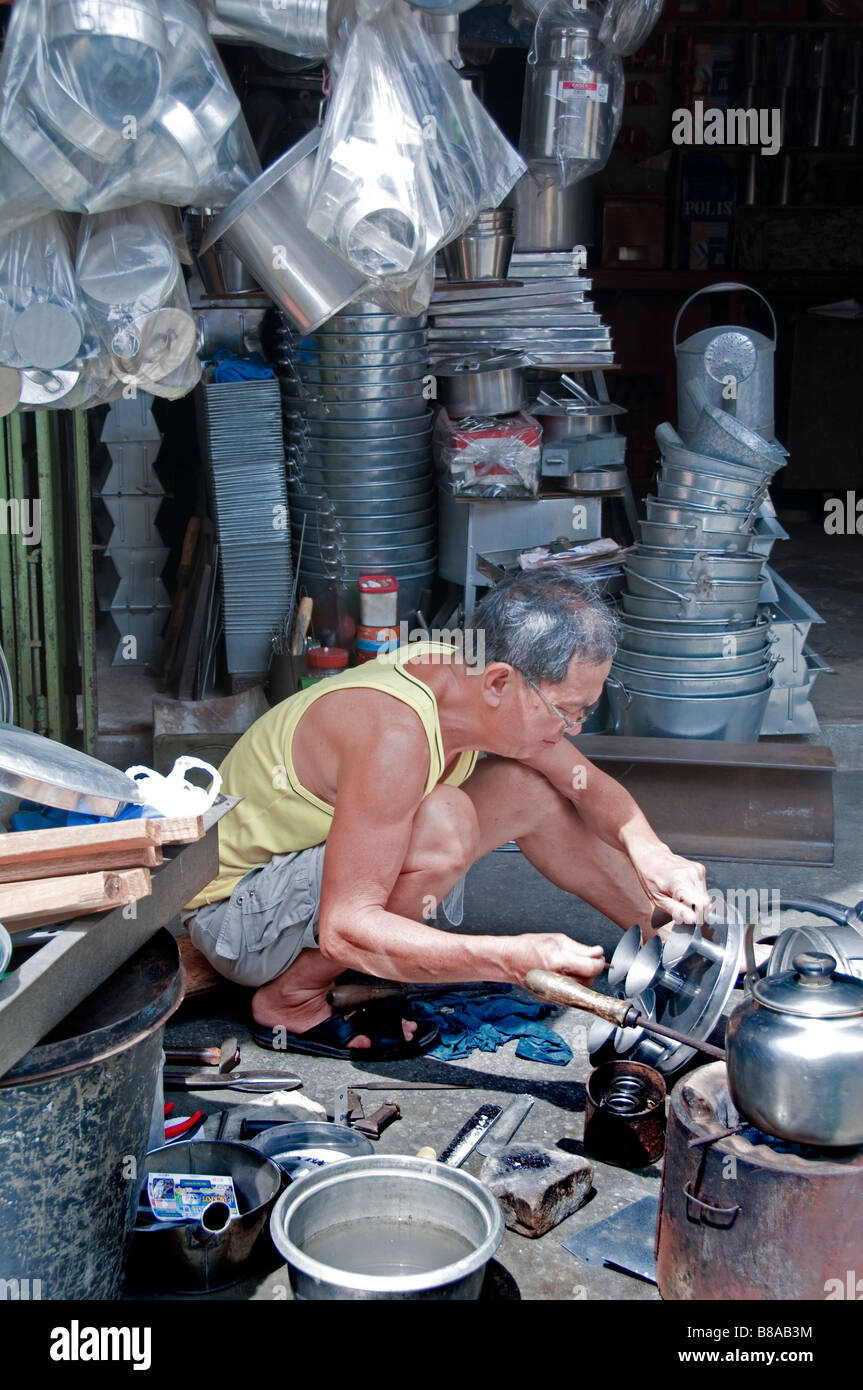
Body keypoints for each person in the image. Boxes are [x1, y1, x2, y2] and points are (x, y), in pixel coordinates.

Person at [185, 567, 711, 1058]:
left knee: (527, 788)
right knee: (445, 821)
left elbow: (585, 784)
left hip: (299, 878)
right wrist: (510, 960)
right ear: (500, 683)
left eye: (585, 711)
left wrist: (652, 852)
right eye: (567, 711)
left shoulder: (463, 674)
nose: (574, 728)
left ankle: (678, 948)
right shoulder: (394, 734)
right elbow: (347, 925)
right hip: (237, 917)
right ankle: (293, 999)